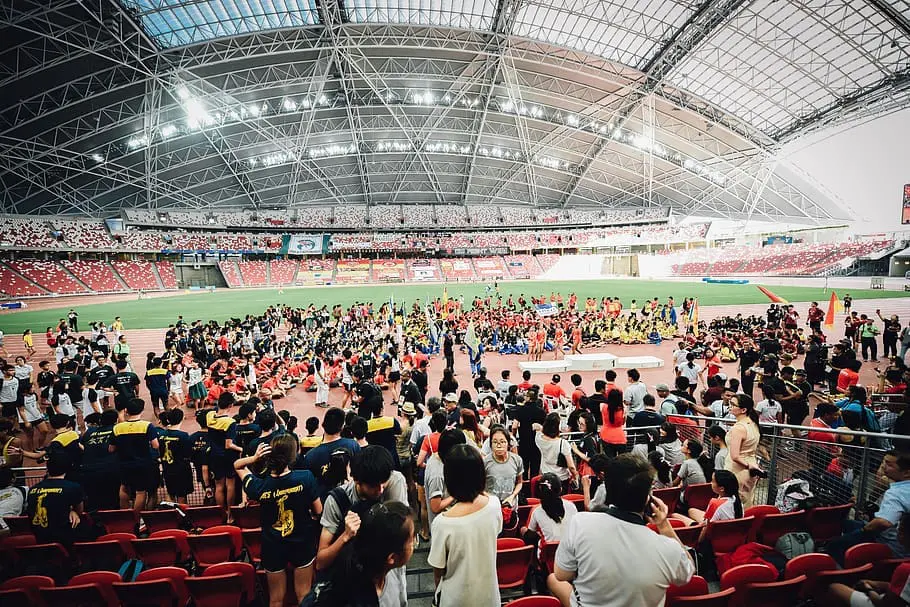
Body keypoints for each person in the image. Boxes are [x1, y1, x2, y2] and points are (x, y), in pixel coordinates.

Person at [547, 454, 694, 607]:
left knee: (553, 579)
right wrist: (664, 525)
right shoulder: (668, 549)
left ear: (607, 490)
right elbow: (687, 571)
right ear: (647, 498)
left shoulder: (579, 523)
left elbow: (562, 574)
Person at [236, 434, 323, 607]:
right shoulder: (305, 477)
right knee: (304, 594)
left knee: (275, 599)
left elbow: (237, 465)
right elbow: (318, 511)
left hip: (273, 545)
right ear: (293, 456)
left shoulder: (258, 486)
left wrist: (254, 458)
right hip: (302, 542)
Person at [428, 443, 502, 607]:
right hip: (489, 595)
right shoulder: (494, 504)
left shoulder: (442, 523)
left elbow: (438, 572)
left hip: (456, 599)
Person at [305, 501, 414, 607]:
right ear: (392, 557)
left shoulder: (393, 570)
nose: (414, 542)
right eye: (412, 540)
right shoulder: (356, 598)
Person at [317, 445, 408, 570]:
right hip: (355, 574)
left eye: (384, 483)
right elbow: (321, 562)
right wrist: (345, 536)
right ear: (357, 481)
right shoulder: (337, 501)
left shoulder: (395, 480)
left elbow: (405, 534)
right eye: (373, 486)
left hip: (391, 574)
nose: (381, 490)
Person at [826, 450, 910, 564]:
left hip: (892, 545)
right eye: (884, 462)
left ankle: (845, 570)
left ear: (906, 473)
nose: (883, 466)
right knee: (847, 524)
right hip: (898, 540)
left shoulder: (896, 493)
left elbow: (884, 522)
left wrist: (864, 530)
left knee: (835, 544)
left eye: (889, 464)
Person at [26, 454, 93, 546]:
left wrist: (71, 511)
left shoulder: (32, 490)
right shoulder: (73, 487)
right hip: (65, 540)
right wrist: (73, 511)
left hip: (40, 539)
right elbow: (80, 511)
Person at [112, 398, 159, 516]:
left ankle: (125, 516)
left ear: (126, 410)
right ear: (142, 410)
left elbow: (111, 448)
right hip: (142, 464)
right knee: (140, 491)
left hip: (124, 464)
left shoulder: (117, 427)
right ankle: (137, 518)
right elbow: (155, 445)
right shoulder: (147, 426)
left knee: (124, 488)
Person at [725, 394, 763, 508]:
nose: (730, 406)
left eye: (733, 404)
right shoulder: (753, 424)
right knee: (747, 501)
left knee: (733, 505)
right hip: (751, 465)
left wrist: (748, 466)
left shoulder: (739, 428)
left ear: (743, 410)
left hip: (738, 469)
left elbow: (735, 456)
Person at [527, 472, 578, 555]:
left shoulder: (536, 511)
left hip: (548, 557)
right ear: (560, 489)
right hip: (571, 553)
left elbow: (530, 535)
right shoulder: (571, 505)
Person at [425, 429, 466, 526]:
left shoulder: (438, 456)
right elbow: (435, 507)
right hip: (443, 524)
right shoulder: (437, 474)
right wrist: (456, 494)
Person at [510, 386, 547, 479]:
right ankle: (534, 485)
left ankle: (524, 485)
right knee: (535, 469)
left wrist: (513, 436)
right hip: (537, 444)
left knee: (524, 468)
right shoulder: (542, 412)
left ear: (528, 398)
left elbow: (514, 426)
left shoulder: (520, 410)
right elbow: (545, 428)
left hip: (524, 442)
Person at [159, 408, 194, 505]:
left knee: (170, 493)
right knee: (182, 496)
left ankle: (171, 513)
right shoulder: (183, 436)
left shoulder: (161, 435)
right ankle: (181, 514)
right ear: (182, 418)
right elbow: (188, 453)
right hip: (182, 470)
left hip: (167, 469)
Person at [534, 413, 577, 491]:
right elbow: (571, 466)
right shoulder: (563, 443)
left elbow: (538, 429)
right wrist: (575, 476)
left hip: (545, 476)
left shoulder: (539, 439)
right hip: (561, 478)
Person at [483, 425, 523, 507]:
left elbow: (519, 482)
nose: (499, 445)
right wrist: (492, 500)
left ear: (508, 443)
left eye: (502, 442)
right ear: (491, 444)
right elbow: (479, 487)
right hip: (492, 506)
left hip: (510, 505)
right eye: (495, 442)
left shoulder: (517, 460)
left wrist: (512, 496)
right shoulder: (485, 462)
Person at [599, 388, 627, 457]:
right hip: (620, 438)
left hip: (606, 436)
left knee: (609, 460)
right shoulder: (623, 410)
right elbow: (623, 423)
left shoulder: (603, 407)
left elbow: (602, 404)